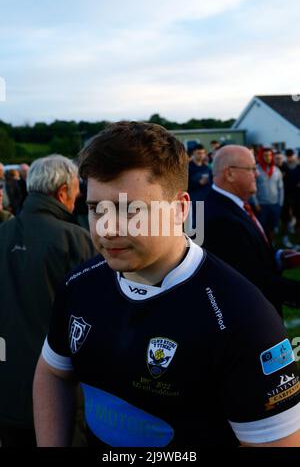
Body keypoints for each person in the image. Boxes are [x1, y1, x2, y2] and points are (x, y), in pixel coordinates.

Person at [33, 123, 300, 448]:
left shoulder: (243, 316)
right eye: (95, 208)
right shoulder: (79, 284)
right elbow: (53, 372)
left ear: (180, 208)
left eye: (130, 209)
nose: (106, 228)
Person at [0, 155, 95, 447]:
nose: (79, 196)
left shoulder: (2, 232)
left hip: (6, 385)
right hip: (58, 387)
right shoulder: (77, 240)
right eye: (77, 190)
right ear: (63, 192)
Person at [203, 145, 300, 317]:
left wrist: (278, 257)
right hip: (250, 318)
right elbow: (254, 280)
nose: (257, 174)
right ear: (230, 174)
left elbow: (251, 255)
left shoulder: (234, 205)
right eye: (252, 169)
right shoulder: (221, 219)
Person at [252, 148, 284, 242]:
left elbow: (281, 188)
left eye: (270, 155)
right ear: (261, 156)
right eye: (265, 155)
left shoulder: (276, 170)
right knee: (261, 228)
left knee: (272, 227)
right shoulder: (256, 170)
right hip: (262, 205)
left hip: (275, 204)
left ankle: (271, 243)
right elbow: (253, 187)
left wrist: (280, 203)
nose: (268, 157)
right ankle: (263, 244)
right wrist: (256, 203)